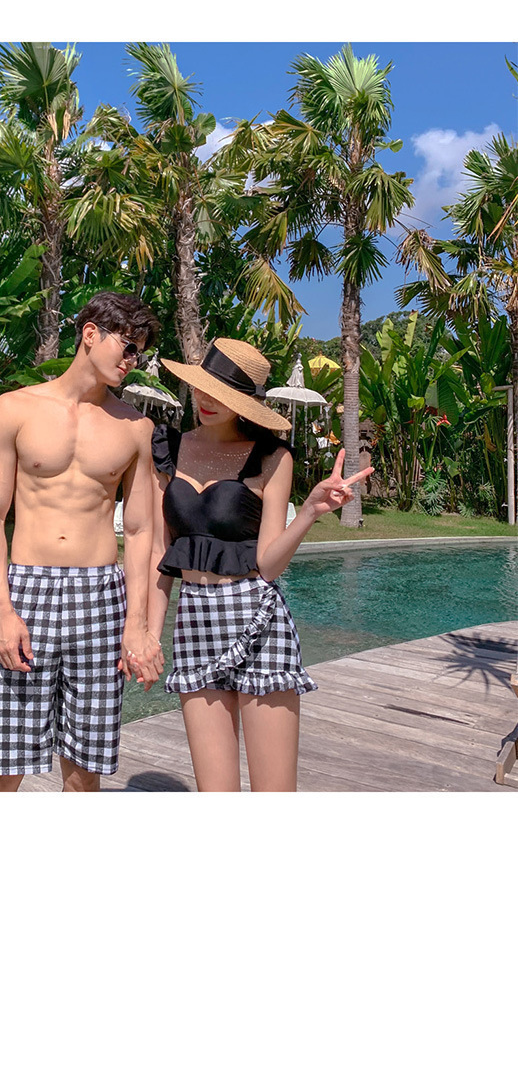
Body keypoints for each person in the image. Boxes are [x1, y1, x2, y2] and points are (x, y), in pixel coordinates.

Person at [147, 337, 373, 792]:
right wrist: (150, 635)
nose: (207, 400)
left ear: (245, 403)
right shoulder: (169, 448)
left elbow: (268, 565)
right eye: (203, 387)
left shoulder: (272, 457)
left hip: (258, 618)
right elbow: (158, 550)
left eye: (223, 394)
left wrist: (308, 511)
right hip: (194, 622)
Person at [0, 292, 164, 793]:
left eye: (140, 352)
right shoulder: (14, 409)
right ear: (90, 333)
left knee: (83, 770)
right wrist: (2, 610)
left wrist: (138, 623)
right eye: (127, 346)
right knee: (0, 767)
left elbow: (140, 531)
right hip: (28, 591)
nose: (133, 360)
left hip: (100, 596)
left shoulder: (136, 427)